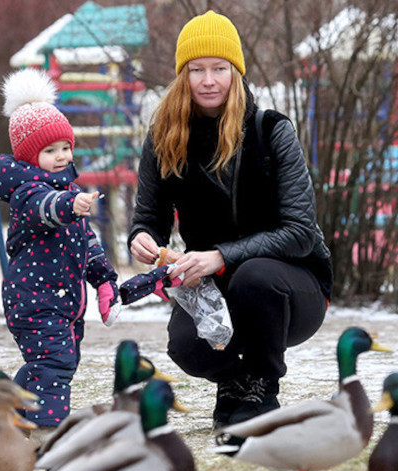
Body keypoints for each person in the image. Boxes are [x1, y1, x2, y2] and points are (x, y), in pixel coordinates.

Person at [128, 11, 333, 428]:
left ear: (235, 72)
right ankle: (236, 384)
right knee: (185, 346)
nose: (208, 80)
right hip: (212, 284)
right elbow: (149, 215)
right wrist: (142, 237)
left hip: (293, 289)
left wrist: (221, 256)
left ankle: (262, 385)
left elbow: (299, 232)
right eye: (197, 70)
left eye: (219, 69)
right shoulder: (164, 136)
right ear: (182, 76)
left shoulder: (271, 131)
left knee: (253, 276)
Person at [0, 69, 120, 439]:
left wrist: (104, 280)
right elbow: (47, 208)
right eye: (50, 151)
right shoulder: (27, 194)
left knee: (58, 363)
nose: (62, 156)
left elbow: (87, 243)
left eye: (65, 147)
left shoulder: (69, 189)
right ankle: (45, 430)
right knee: (54, 361)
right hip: (34, 300)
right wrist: (69, 204)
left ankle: (13, 416)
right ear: (31, 158)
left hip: (63, 301)